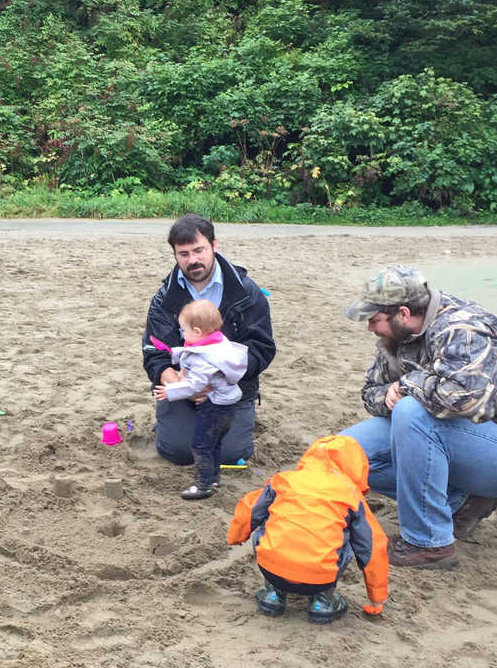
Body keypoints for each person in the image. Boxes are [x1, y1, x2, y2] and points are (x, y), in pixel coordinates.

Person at [341, 265, 497, 569]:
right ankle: (455, 498)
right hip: (459, 437)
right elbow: (370, 392)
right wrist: (388, 393)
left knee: (411, 411)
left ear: (403, 313)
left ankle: (429, 544)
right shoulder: (398, 335)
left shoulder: (464, 329)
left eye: (374, 320)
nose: (370, 328)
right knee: (340, 454)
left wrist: (405, 387)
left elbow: (464, 401)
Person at [142, 214, 276, 468]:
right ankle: (173, 422)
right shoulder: (164, 298)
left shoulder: (246, 291)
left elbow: (262, 348)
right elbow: (154, 352)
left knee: (232, 456)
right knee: (177, 452)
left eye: (198, 250)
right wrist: (174, 379)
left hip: (230, 388)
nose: (192, 260)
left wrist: (218, 379)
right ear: (174, 254)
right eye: (183, 254)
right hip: (184, 387)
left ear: (214, 245)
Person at [226, 435, 389, 623]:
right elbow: (372, 546)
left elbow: (251, 510)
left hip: (271, 568)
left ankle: (273, 594)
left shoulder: (284, 480)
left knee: (272, 524)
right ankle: (323, 601)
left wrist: (235, 536)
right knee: (344, 538)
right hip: (321, 577)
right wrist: (376, 599)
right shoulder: (351, 496)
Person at [152, 300, 248, 500]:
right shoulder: (218, 343)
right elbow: (190, 355)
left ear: (197, 331)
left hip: (214, 408)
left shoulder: (205, 358)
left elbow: (194, 386)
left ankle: (203, 485)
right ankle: (214, 478)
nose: (182, 334)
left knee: (201, 445)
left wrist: (170, 391)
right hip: (228, 406)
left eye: (184, 330)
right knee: (215, 443)